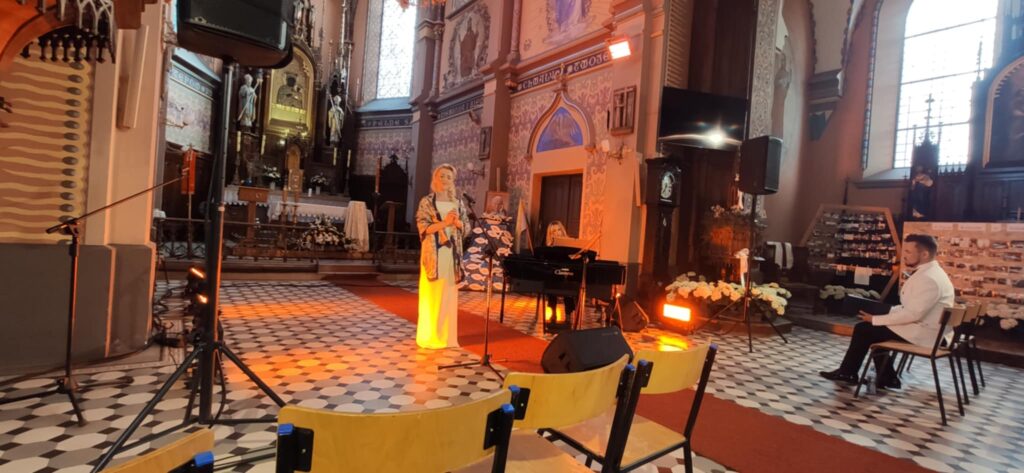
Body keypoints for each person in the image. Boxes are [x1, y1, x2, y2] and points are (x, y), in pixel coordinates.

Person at [820, 234, 954, 389]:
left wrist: (875, 319)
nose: (904, 256)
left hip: (928, 334)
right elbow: (912, 308)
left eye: (908, 252)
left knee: (865, 329)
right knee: (873, 330)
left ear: (924, 254)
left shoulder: (929, 278)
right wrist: (885, 312)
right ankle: (886, 377)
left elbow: (913, 314)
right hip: (929, 329)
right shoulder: (932, 272)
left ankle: (849, 373)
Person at [415, 164, 470, 349]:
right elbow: (424, 228)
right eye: (442, 176)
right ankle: (430, 336)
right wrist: (445, 223)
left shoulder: (458, 203)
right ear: (435, 179)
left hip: (452, 254)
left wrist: (458, 223)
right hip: (434, 253)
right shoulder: (427, 202)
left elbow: (467, 229)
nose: (445, 179)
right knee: (433, 294)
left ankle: (447, 337)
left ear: (453, 181)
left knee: (448, 295)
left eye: (449, 177)